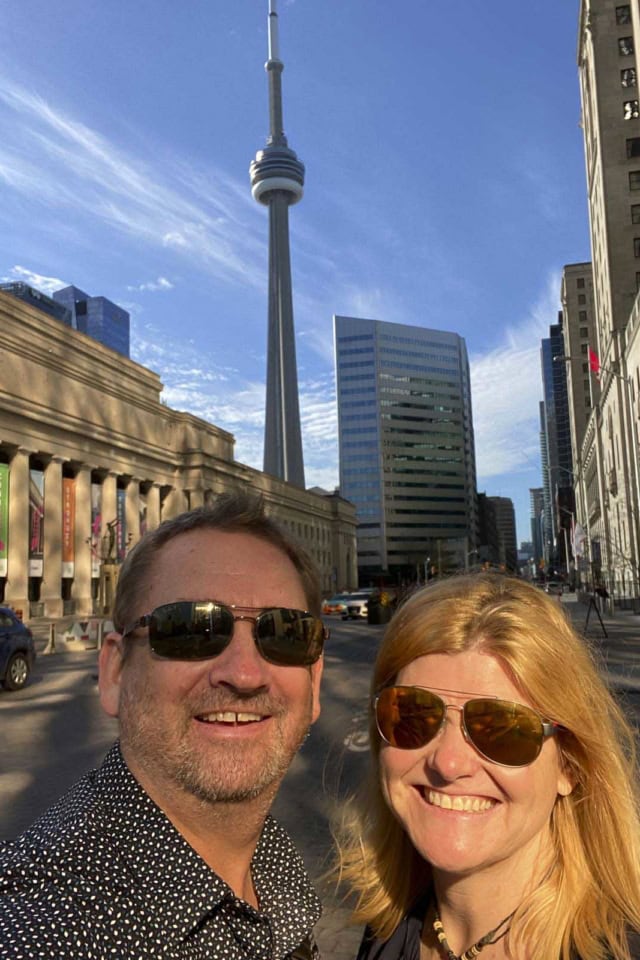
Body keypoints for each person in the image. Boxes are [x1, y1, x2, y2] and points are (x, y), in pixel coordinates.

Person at [0, 492, 326, 959]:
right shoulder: (39, 929)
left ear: (314, 681)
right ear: (115, 672)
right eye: (190, 628)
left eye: (284, 633)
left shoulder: (271, 859)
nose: (244, 674)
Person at [334, 574, 640, 960]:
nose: (448, 763)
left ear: (570, 765)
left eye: (502, 729)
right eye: (413, 715)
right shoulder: (389, 930)